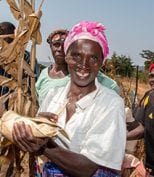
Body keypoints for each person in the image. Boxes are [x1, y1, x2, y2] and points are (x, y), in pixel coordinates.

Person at [12, 20, 126, 177]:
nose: (83, 64)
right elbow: (39, 145)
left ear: (101, 62)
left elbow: (88, 168)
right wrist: (34, 130)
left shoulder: (110, 104)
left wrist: (44, 146)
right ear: (66, 56)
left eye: (93, 58)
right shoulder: (53, 95)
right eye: (76, 55)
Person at [36, 28, 120, 106]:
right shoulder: (44, 74)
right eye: (56, 44)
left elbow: (112, 87)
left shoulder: (80, 74)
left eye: (64, 45)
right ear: (51, 47)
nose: (60, 48)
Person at [0, 21, 40, 97]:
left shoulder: (27, 57)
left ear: (15, 37)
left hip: (17, 104)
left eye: (5, 37)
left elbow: (34, 83)